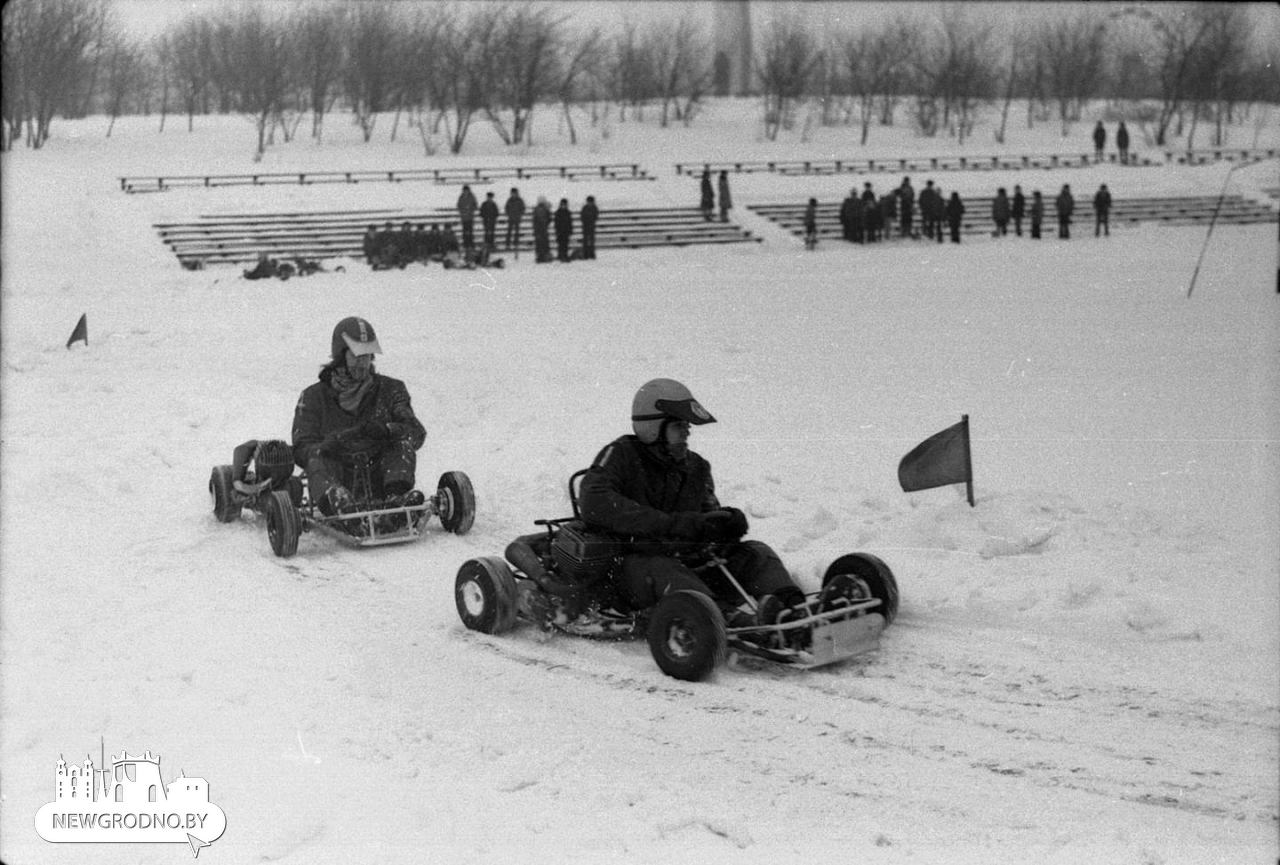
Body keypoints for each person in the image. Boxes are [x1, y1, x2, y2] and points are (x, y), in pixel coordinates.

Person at [577, 378, 809, 630]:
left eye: (687, 425)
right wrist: (672, 525)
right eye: (678, 425)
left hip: (687, 557)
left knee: (756, 552)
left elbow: (706, 515)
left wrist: (725, 522)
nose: (687, 431)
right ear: (654, 428)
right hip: (632, 564)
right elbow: (593, 501)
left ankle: (794, 609)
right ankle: (735, 622)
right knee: (665, 568)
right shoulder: (620, 455)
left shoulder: (696, 466)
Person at [291, 317, 428, 528]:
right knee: (317, 458)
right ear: (340, 356)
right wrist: (330, 444)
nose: (362, 363)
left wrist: (387, 430)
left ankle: (396, 504)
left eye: (366, 356)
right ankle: (341, 505)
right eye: (356, 356)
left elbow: (416, 433)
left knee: (401, 443)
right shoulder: (313, 397)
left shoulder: (391, 390)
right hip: (338, 474)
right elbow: (301, 447)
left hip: (379, 476)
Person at [456, 184, 478, 251]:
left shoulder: (472, 196)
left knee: (470, 231)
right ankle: (465, 244)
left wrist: (470, 209)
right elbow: (459, 206)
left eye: (467, 190)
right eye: (464, 191)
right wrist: (463, 210)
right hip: (464, 217)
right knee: (465, 231)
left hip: (470, 217)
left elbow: (475, 205)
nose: (465, 192)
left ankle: (471, 243)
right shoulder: (461, 197)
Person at [531, 195, 553, 263]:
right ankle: (543, 256)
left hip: (539, 229)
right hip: (542, 229)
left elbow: (534, 220)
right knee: (544, 243)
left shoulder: (537, 209)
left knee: (540, 244)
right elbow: (549, 218)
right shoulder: (545, 209)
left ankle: (541, 256)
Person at [554, 197, 574, 262]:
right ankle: (560, 255)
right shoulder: (558, 212)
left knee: (565, 244)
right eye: (562, 204)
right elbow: (556, 222)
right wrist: (557, 230)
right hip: (560, 231)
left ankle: (565, 255)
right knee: (560, 244)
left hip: (566, 231)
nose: (563, 206)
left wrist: (570, 230)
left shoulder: (568, 213)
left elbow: (570, 222)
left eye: (564, 205)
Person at [580, 195, 599, 260]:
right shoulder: (585, 208)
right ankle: (586, 254)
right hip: (585, 226)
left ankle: (591, 254)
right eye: (589, 202)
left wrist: (590, 220)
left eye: (591, 202)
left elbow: (595, 216)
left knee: (591, 241)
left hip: (591, 226)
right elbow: (582, 216)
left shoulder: (594, 208)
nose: (590, 203)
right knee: (585, 241)